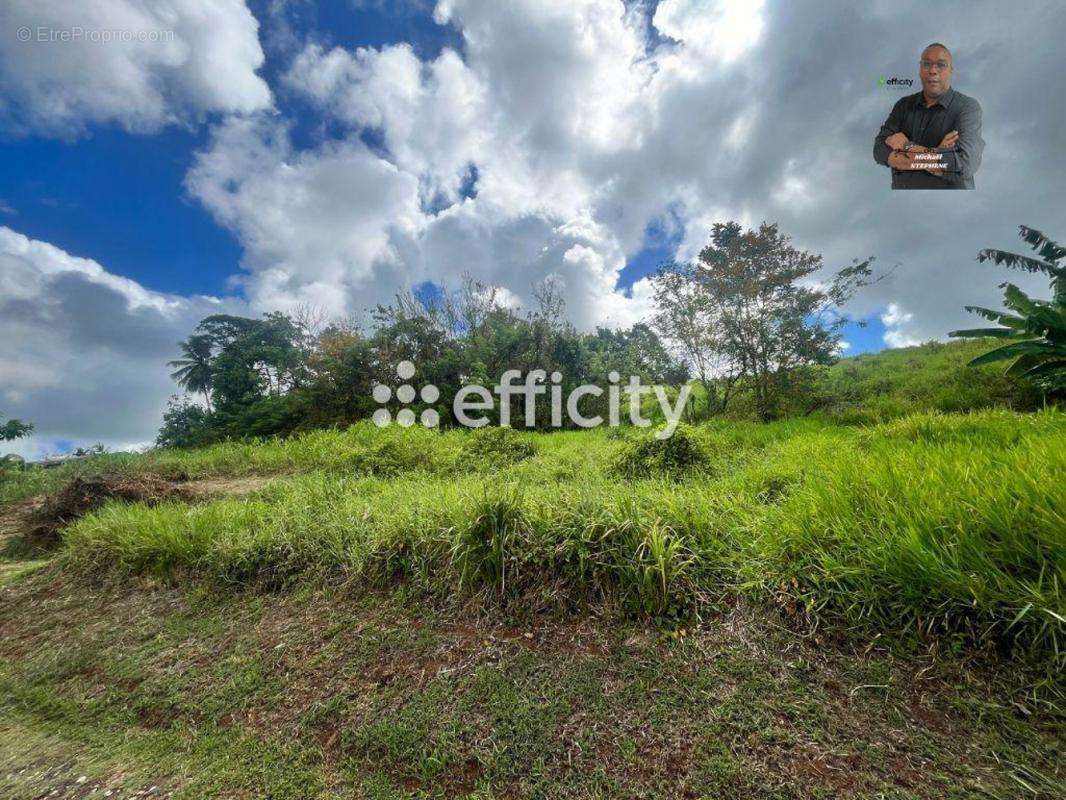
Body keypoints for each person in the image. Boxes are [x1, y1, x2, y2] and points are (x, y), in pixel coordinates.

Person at [873, 43, 984, 189]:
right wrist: (937, 156)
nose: (932, 71)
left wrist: (907, 146)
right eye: (926, 64)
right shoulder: (903, 105)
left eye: (941, 65)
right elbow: (879, 150)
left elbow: (965, 163)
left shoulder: (967, 107)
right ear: (920, 70)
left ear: (951, 70)